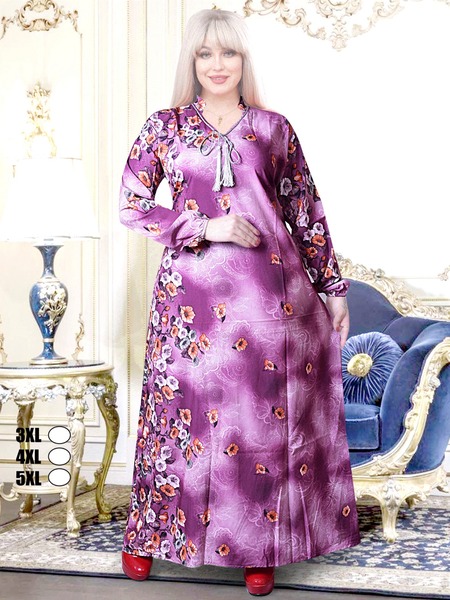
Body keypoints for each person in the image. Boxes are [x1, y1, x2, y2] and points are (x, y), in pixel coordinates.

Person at [119, 8, 360, 596]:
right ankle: (149, 536)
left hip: (268, 301)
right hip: (189, 304)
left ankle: (259, 547)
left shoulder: (273, 128)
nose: (217, 64)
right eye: (205, 54)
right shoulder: (165, 127)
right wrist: (206, 226)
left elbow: (304, 209)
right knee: (178, 416)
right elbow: (132, 204)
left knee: (256, 423)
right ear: (191, 61)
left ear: (243, 59)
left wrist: (332, 289)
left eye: (228, 52)